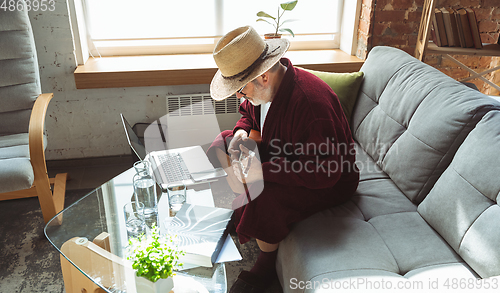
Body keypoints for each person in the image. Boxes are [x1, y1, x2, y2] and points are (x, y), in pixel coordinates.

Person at [207, 26, 359, 292]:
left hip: (328, 179)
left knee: (266, 196)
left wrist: (261, 171)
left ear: (263, 76)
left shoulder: (311, 104)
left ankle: (266, 263)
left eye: (241, 90)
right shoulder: (265, 89)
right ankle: (236, 209)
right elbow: (249, 114)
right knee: (223, 142)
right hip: (284, 154)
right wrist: (242, 132)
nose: (240, 97)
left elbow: (324, 171)